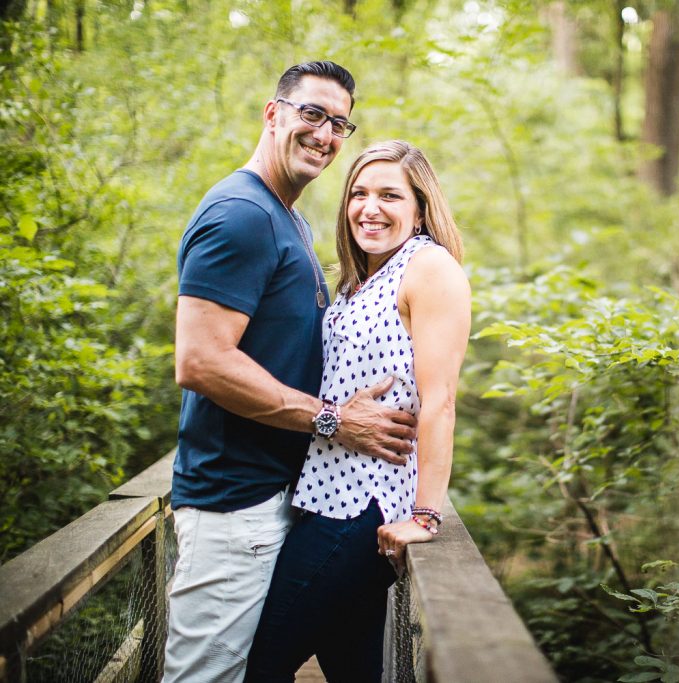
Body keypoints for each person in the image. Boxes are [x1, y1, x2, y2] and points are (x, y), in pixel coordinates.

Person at [166, 64, 418, 683]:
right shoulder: (241, 214)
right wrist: (335, 420)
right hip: (233, 505)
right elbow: (201, 360)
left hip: (278, 498)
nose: (325, 133)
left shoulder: (288, 220)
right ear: (272, 113)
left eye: (339, 122)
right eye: (311, 113)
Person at [243, 140, 472, 682]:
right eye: (359, 193)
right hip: (322, 495)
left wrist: (425, 516)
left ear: (420, 207)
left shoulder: (428, 269)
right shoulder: (357, 280)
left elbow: (439, 401)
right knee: (353, 668)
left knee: (261, 663)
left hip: (364, 507)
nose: (370, 207)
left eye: (390, 195)